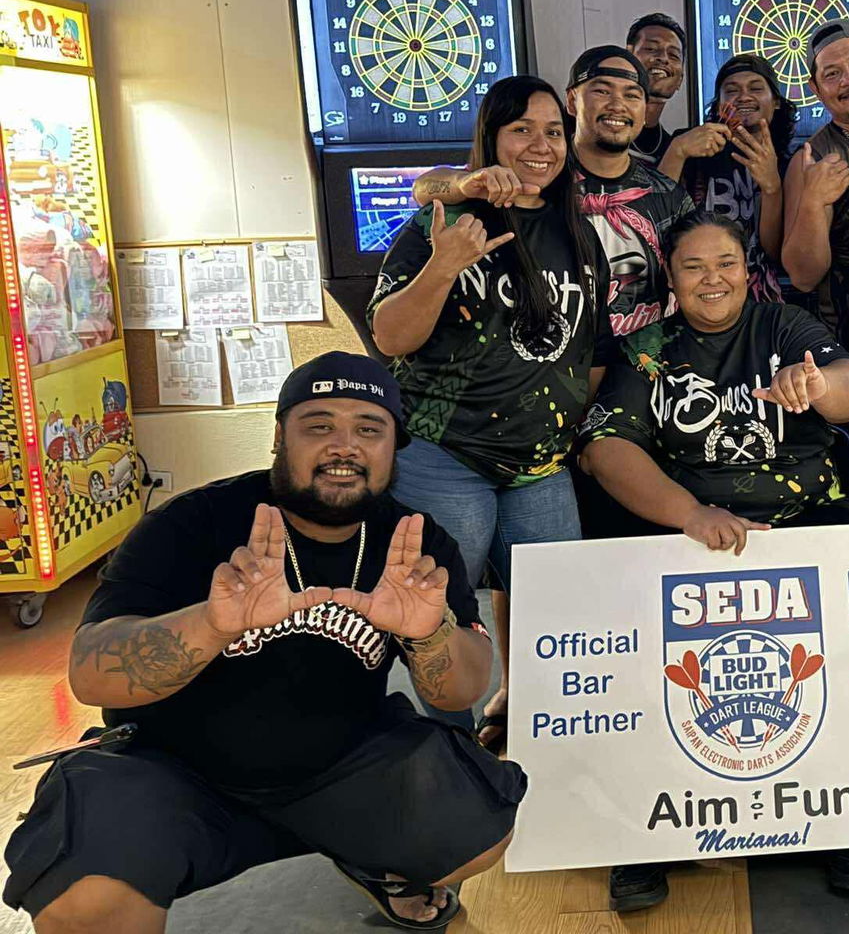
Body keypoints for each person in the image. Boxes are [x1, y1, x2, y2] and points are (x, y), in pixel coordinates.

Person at [2, 353, 524, 933]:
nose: (344, 446)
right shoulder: (192, 524)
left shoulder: (414, 542)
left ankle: (373, 859)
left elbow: (464, 687)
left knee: (480, 830)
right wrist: (212, 625)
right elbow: (89, 674)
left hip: (343, 767)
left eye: (368, 429)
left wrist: (429, 635)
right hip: (172, 773)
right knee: (85, 904)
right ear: (280, 436)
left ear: (392, 449)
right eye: (319, 425)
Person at [576, 211, 849, 910]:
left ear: (747, 270)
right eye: (693, 267)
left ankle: (846, 825)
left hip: (808, 525)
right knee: (658, 682)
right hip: (691, 537)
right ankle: (647, 836)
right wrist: (691, 515)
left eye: (726, 263)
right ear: (670, 279)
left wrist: (821, 390)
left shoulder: (784, 326)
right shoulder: (647, 348)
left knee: (830, 677)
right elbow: (606, 448)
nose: (712, 278)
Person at [372, 74, 612, 749]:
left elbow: (590, 347)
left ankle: (546, 739)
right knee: (440, 616)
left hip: (542, 465)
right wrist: (443, 266)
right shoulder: (446, 220)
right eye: (521, 130)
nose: (540, 145)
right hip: (447, 455)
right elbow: (390, 337)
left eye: (553, 132)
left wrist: (569, 427)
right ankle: (449, 750)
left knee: (552, 617)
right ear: (491, 138)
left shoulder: (577, 231)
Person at [414, 45, 695, 338]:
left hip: (639, 368)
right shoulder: (540, 174)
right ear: (572, 101)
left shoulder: (669, 196)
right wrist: (462, 184)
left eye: (632, 95)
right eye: (602, 91)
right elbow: (424, 189)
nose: (617, 105)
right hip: (549, 360)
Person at [781, 19, 849, 519]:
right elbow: (802, 273)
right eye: (832, 73)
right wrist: (813, 202)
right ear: (815, 88)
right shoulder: (813, 156)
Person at [658, 54, 789, 303]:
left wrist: (772, 187)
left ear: (776, 102)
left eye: (756, 88)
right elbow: (654, 220)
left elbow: (773, 251)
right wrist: (677, 151)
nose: (743, 96)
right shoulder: (690, 144)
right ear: (719, 105)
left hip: (756, 294)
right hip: (693, 288)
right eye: (731, 90)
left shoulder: (788, 160)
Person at [626, 12, 688, 165]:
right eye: (651, 49)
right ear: (627, 57)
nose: (663, 58)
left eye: (673, 55)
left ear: (680, 80)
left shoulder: (674, 149)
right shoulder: (590, 129)